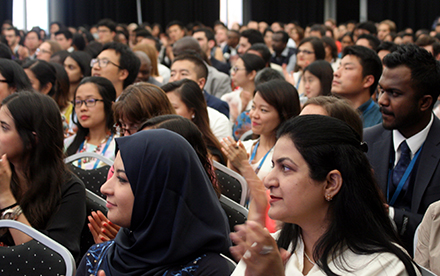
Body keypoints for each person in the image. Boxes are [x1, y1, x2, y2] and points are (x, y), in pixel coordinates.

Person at [230, 115, 420, 276]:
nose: (269, 180)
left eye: (286, 168)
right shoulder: (272, 248)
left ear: (330, 184)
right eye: (273, 166)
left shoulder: (384, 268)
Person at [76, 129, 231, 276]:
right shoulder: (97, 258)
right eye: (112, 174)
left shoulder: (209, 271)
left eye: (122, 179)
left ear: (159, 192)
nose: (104, 188)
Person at [364, 44, 440, 255]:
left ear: (425, 102)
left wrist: (390, 215)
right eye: (381, 90)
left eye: (394, 93)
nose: (381, 101)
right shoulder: (365, 141)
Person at [0, 92, 86, 262]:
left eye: (4, 127)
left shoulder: (69, 189)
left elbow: (46, 263)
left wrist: (6, 198)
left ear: (33, 139)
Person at [162, 79, 226, 164]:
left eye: (173, 107)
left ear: (193, 111)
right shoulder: (160, 142)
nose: (165, 113)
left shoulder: (211, 155)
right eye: (163, 107)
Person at [64, 77, 117, 169]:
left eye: (90, 101)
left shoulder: (119, 145)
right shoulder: (68, 143)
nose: (83, 108)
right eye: (78, 102)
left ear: (110, 105)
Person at [332, 45, 383, 128]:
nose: (336, 73)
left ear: (367, 80)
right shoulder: (329, 113)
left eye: (347, 68)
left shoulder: (380, 122)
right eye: (338, 67)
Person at [221, 53, 266, 123]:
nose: (233, 73)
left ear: (251, 74)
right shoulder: (228, 99)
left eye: (236, 69)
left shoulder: (264, 104)